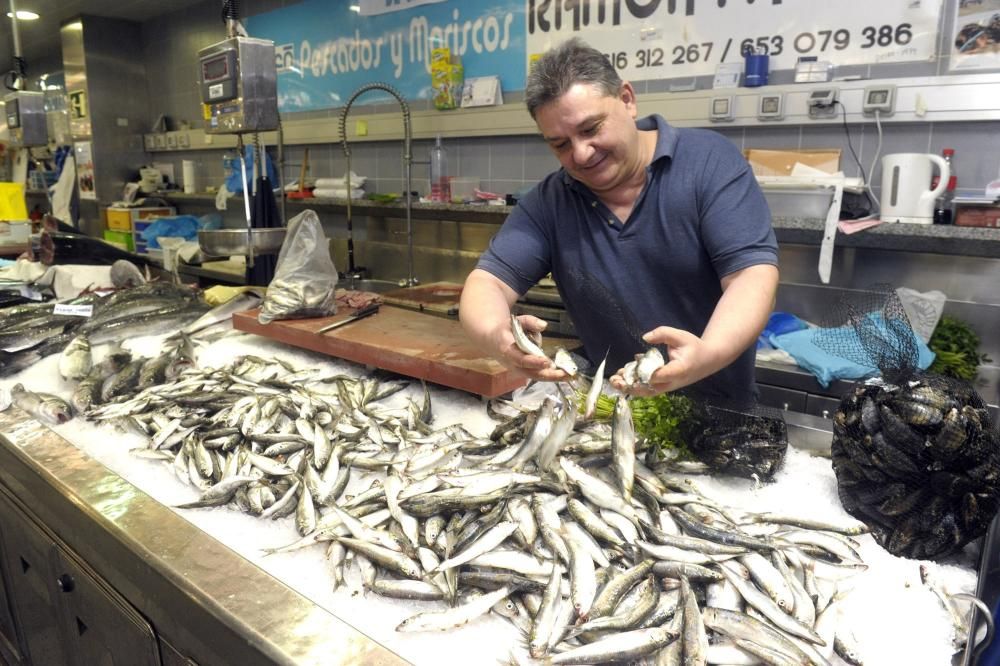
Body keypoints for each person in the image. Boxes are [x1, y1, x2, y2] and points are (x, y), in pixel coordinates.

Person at [459, 37, 779, 402]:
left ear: (626, 99)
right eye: (560, 144)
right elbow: (487, 284)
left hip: (720, 411)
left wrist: (706, 355)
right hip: (613, 407)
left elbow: (751, 277)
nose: (580, 153)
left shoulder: (709, 163)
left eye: (591, 128)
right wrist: (499, 337)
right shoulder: (550, 201)